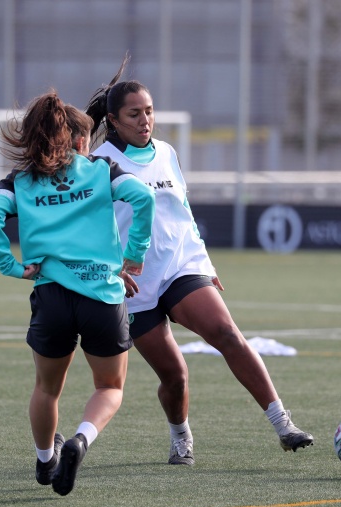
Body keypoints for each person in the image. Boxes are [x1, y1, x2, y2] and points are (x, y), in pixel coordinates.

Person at [84, 57, 314, 466]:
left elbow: (183, 213)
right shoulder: (97, 164)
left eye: (149, 112)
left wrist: (204, 263)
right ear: (114, 120)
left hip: (180, 268)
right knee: (175, 377)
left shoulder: (168, 153)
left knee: (227, 333)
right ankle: (180, 436)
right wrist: (109, 271)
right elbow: (87, 229)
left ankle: (283, 425)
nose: (145, 121)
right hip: (133, 286)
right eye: (134, 114)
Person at [0, 91, 155, 496]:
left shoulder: (21, 181)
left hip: (52, 296)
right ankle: (79, 441)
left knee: (47, 389)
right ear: (76, 140)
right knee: (109, 387)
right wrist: (133, 256)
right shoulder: (99, 170)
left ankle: (44, 461)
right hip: (102, 296)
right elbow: (143, 198)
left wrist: (10, 265)